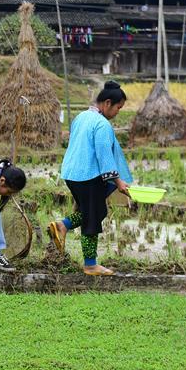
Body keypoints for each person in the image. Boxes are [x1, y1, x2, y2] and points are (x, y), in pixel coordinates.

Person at [47, 81, 132, 276]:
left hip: (72, 173)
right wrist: (118, 182)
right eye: (118, 108)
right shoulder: (102, 124)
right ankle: (90, 265)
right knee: (92, 218)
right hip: (89, 176)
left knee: (91, 211)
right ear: (108, 103)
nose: (118, 112)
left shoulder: (82, 117)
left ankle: (62, 226)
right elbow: (104, 155)